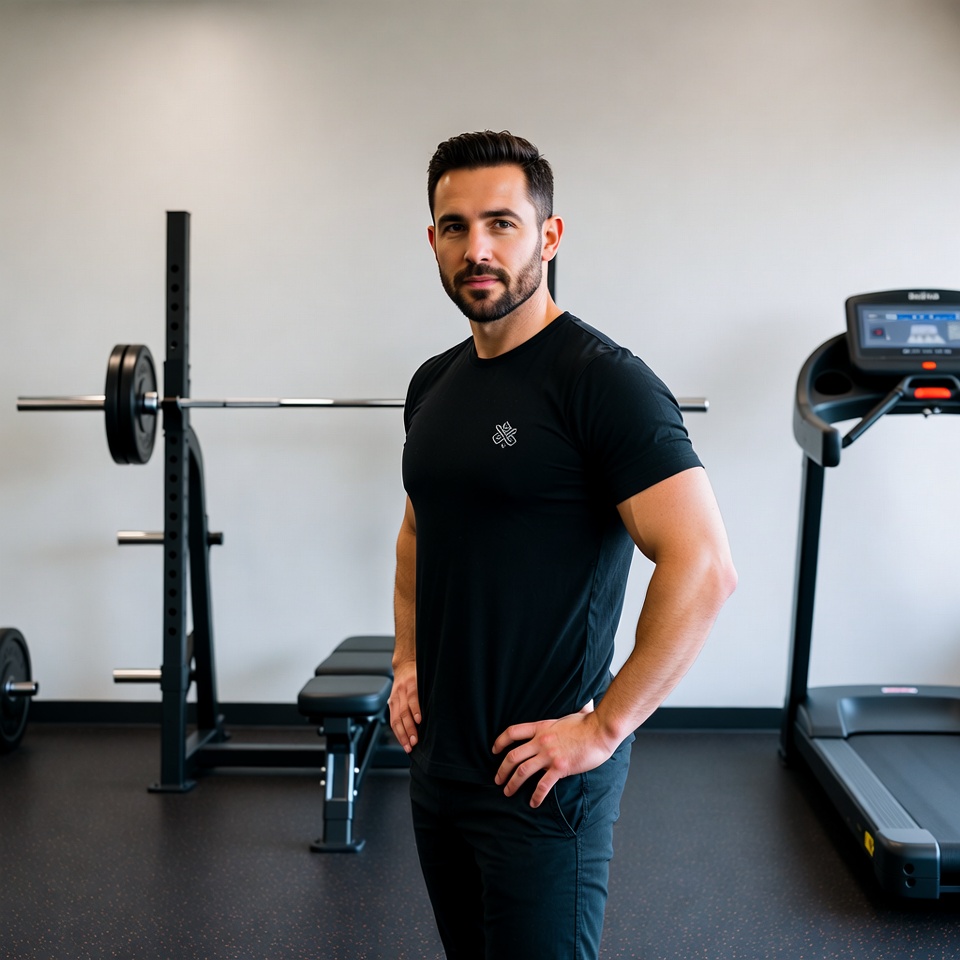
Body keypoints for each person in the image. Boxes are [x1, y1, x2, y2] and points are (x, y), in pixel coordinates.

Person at [389, 130, 737, 960]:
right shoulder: (433, 382)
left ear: (549, 236)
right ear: (432, 239)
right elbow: (417, 530)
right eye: (454, 226)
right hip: (441, 764)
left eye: (501, 223)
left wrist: (604, 728)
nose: (476, 249)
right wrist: (406, 661)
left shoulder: (604, 382)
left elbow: (704, 566)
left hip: (544, 777)